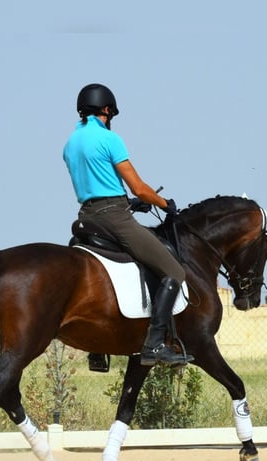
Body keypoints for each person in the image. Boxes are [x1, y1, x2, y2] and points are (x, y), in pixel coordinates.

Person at [63, 83, 193, 367]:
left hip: (87, 217)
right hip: (115, 219)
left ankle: (97, 347)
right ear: (107, 110)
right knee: (174, 270)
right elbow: (139, 187)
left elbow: (97, 186)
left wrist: (131, 203)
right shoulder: (110, 139)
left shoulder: (70, 144)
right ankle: (155, 345)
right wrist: (163, 203)